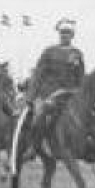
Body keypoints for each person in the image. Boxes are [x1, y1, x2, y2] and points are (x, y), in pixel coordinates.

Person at [25, 18, 86, 147]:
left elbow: (80, 77)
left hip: (69, 95)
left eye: (68, 33)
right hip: (48, 94)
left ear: (72, 35)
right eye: (62, 33)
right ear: (59, 34)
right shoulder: (49, 51)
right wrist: (31, 97)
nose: (65, 35)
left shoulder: (77, 54)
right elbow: (38, 74)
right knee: (39, 119)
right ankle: (34, 147)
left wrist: (79, 93)